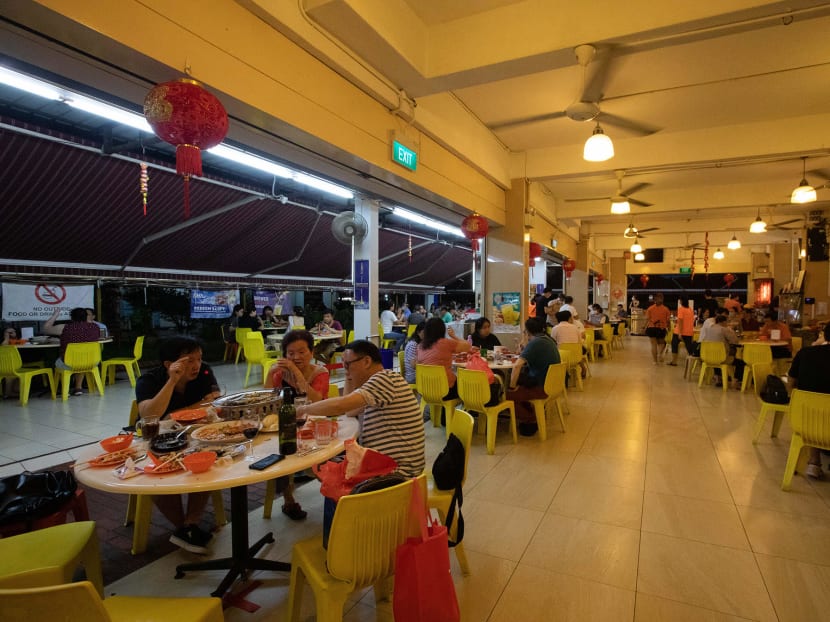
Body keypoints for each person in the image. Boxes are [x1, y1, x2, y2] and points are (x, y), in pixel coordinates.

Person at [296, 340, 425, 546]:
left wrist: (302, 410)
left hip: (397, 476)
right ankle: (347, 536)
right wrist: (349, 374)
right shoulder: (377, 386)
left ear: (366, 361)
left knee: (334, 483)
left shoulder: (384, 379)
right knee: (335, 467)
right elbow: (350, 410)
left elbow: (340, 405)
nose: (345, 369)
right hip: (390, 466)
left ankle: (337, 555)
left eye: (348, 364)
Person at [135, 336, 221, 553]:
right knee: (153, 473)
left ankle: (189, 525)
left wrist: (174, 414)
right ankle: (185, 528)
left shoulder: (204, 372)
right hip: (155, 439)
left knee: (206, 461)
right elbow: (150, 416)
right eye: (189, 361)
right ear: (168, 364)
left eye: (199, 359)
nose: (197, 365)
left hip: (195, 436)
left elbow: (215, 403)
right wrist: (172, 382)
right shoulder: (150, 380)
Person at [264, 329, 330, 520]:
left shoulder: (320, 372)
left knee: (323, 459)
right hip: (284, 426)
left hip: (313, 426)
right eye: (291, 353)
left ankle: (336, 492)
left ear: (311, 352)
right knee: (277, 451)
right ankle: (288, 500)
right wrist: (270, 375)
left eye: (302, 352)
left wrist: (295, 372)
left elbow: (317, 401)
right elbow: (268, 402)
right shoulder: (279, 373)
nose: (296, 357)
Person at [788, 323, 830, 479]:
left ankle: (814, 462)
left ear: (824, 335)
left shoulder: (805, 353)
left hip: (805, 419)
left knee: (816, 411)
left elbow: (791, 383)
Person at [507, 317, 560, 436]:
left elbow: (517, 366)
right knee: (518, 384)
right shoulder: (547, 339)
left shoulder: (536, 343)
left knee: (507, 395)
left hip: (540, 387)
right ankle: (530, 413)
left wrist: (511, 388)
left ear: (528, 331)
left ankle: (530, 419)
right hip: (552, 385)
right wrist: (524, 341)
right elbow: (522, 354)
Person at [44, 307, 100, 395]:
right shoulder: (95, 327)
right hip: (92, 362)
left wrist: (55, 315)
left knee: (66, 361)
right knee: (81, 358)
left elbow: (46, 328)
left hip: (69, 363)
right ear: (86, 316)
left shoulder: (65, 327)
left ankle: (64, 389)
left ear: (71, 317)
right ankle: (78, 388)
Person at [416, 317, 471, 402]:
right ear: (442, 330)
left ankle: (442, 413)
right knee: (468, 385)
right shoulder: (446, 343)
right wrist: (453, 336)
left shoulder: (420, 346)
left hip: (426, 389)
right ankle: (469, 411)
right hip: (446, 390)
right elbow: (468, 346)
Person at [701, 315, 743, 388]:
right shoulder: (724, 329)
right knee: (741, 363)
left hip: (708, 356)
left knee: (716, 356)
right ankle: (736, 381)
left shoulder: (709, 329)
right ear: (723, 322)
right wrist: (731, 330)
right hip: (722, 358)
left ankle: (718, 378)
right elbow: (735, 341)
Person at [645, 293, 671, 364]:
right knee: (662, 343)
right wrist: (669, 328)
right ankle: (660, 354)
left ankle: (655, 361)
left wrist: (644, 327)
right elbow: (668, 320)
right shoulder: (666, 309)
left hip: (651, 328)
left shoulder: (650, 308)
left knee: (653, 345)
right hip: (661, 328)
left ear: (654, 300)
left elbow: (647, 319)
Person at [669, 295, 696, 366]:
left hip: (679, 331)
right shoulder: (690, 309)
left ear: (681, 301)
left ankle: (674, 361)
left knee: (674, 345)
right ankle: (692, 362)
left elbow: (680, 321)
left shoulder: (681, 309)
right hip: (689, 332)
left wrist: (680, 333)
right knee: (689, 347)